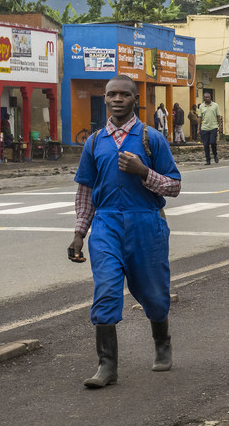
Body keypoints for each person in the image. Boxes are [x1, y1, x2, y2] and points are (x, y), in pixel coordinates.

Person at [66, 75, 182, 389]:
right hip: (105, 226)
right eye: (111, 94)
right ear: (105, 99)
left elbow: (174, 186)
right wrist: (80, 233)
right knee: (105, 290)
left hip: (146, 223)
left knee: (153, 293)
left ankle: (162, 343)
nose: (117, 99)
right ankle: (107, 366)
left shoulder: (151, 138)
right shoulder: (94, 142)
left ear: (135, 100)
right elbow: (86, 192)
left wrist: (144, 171)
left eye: (124, 95)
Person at [194, 89, 222, 165]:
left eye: (208, 97)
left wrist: (220, 127)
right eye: (205, 97)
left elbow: (218, 116)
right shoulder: (201, 106)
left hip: (213, 127)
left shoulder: (215, 105)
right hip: (204, 128)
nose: (206, 98)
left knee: (213, 142)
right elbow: (199, 118)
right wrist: (198, 129)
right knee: (205, 145)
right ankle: (208, 160)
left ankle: (215, 154)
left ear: (210, 97)